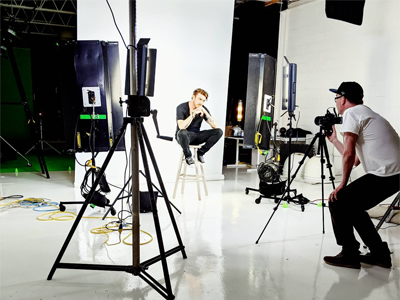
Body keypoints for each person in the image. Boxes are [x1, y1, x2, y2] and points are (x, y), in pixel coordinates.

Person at [323, 81, 400, 269]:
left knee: (338, 200)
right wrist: (334, 140)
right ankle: (380, 254)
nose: (336, 102)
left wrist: (341, 185)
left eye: (336, 97)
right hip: (394, 174)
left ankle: (349, 254)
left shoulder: (351, 113)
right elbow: (356, 159)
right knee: (353, 207)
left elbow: (349, 156)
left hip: (387, 173)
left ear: (343, 99)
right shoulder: (366, 113)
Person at [176, 88, 223, 165]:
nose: (201, 102)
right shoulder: (181, 107)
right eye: (199, 99)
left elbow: (215, 126)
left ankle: (200, 153)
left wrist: (205, 112)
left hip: (196, 136)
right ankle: (188, 156)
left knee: (219, 132)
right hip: (183, 137)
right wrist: (193, 114)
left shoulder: (202, 108)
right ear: (193, 97)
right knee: (182, 132)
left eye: (203, 101)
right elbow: (181, 126)